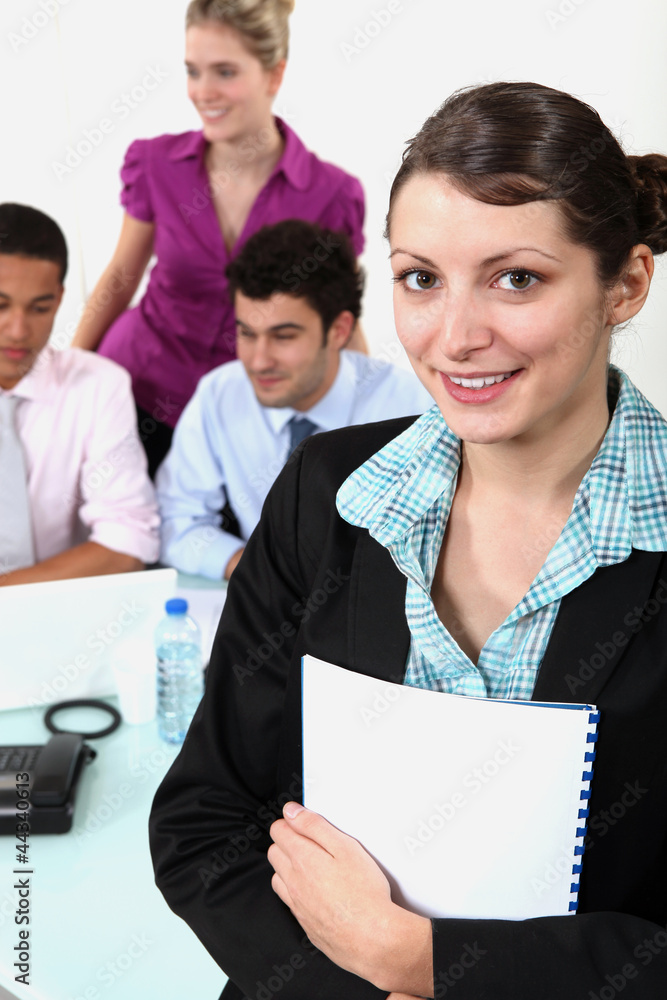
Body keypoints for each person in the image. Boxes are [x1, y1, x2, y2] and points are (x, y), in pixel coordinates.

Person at [149, 82, 667, 999]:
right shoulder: (325, 492)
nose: (455, 338)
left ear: (625, 281)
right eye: (420, 278)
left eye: (517, 278)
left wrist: (416, 964)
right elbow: (206, 817)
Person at [71, 0, 367, 477]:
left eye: (225, 72)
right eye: (193, 71)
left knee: (245, 546)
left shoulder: (330, 194)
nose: (202, 92)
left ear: (274, 74)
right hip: (140, 393)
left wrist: (367, 417)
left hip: (249, 416)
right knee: (129, 543)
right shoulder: (155, 164)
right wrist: (66, 377)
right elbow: (121, 277)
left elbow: (341, 315)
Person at [155, 220, 432, 580]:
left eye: (283, 337)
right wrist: (259, 573)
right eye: (247, 334)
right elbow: (176, 521)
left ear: (339, 330)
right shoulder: (219, 395)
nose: (258, 360)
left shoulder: (412, 406)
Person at [0, 203, 159, 587]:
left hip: (61, 608)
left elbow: (128, 539)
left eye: (40, 307)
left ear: (59, 297)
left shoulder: (99, 386)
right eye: (0, 305)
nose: (19, 331)